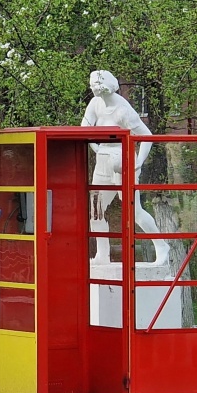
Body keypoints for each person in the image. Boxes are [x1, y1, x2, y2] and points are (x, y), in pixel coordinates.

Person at [80, 70, 168, 266]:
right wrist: (97, 149)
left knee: (134, 211)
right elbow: (84, 129)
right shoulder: (95, 104)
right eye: (93, 85)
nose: (94, 89)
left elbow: (146, 136)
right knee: (96, 211)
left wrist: (138, 163)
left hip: (123, 158)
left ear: (107, 87)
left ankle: (161, 246)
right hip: (103, 159)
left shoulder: (123, 109)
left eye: (98, 86)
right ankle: (103, 254)